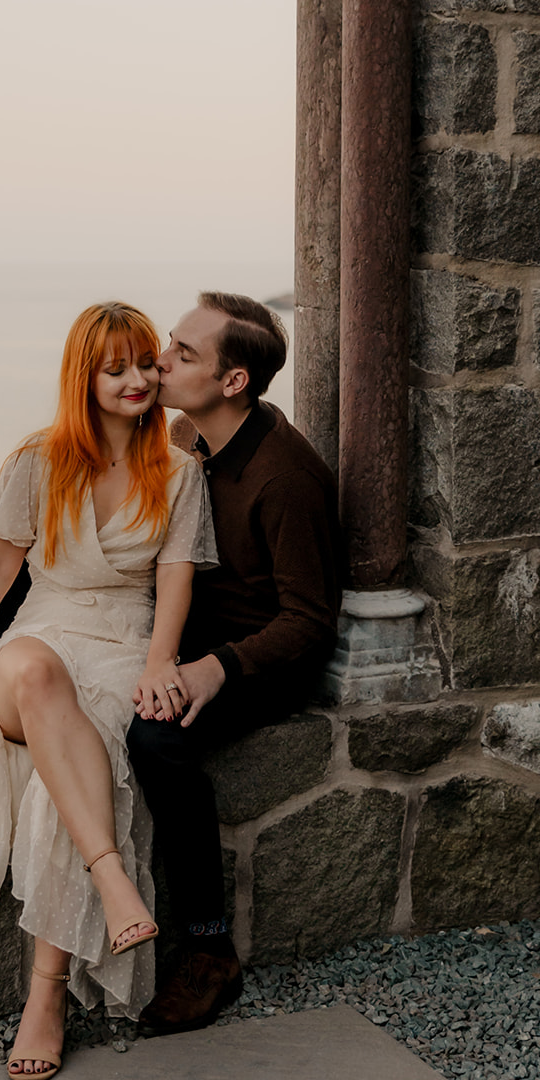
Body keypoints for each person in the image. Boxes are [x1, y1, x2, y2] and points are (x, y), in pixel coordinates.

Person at [0, 302, 215, 1080]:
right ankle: (112, 877)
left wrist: (158, 664)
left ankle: (45, 1002)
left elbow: (172, 583)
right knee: (33, 670)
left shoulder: (178, 469)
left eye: (145, 364)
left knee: (68, 775)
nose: (137, 380)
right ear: (84, 378)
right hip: (38, 643)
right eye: (115, 369)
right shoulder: (37, 460)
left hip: (121, 652)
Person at [127, 291, 344, 1035]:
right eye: (169, 343)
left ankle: (209, 950)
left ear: (233, 382)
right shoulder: (188, 434)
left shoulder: (285, 478)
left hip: (259, 663)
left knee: (154, 739)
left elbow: (309, 621)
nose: (160, 360)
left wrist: (213, 670)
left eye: (183, 354)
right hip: (190, 640)